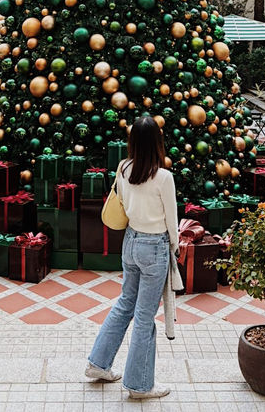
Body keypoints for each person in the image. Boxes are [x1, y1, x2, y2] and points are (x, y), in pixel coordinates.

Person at [85, 115, 179, 399]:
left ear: (133, 142)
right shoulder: (163, 177)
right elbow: (172, 222)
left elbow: (123, 203)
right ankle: (139, 385)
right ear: (157, 143)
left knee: (125, 303)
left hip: (130, 242)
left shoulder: (123, 168)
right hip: (155, 247)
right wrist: (172, 247)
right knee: (144, 316)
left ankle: (98, 364)